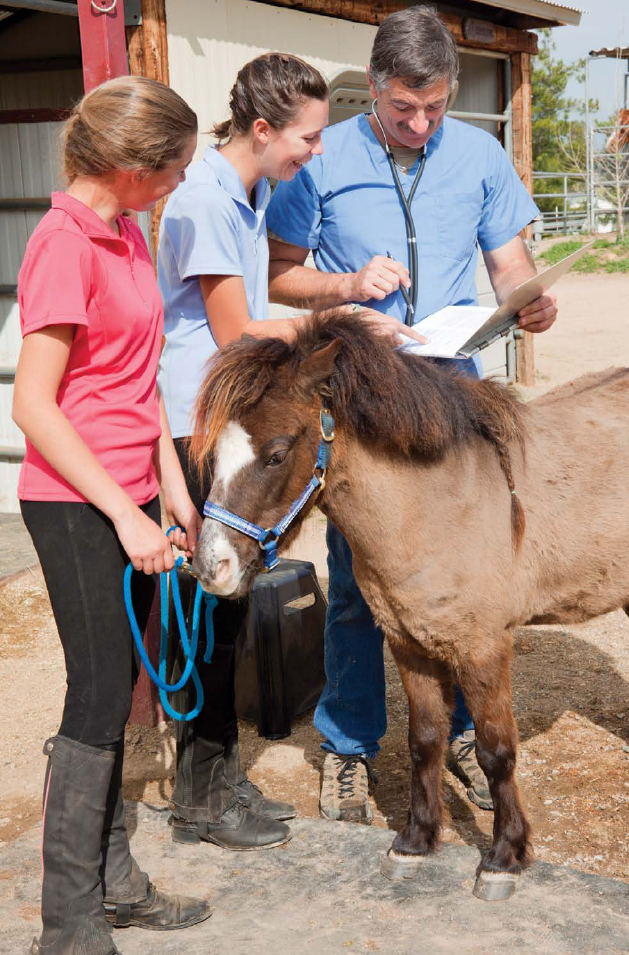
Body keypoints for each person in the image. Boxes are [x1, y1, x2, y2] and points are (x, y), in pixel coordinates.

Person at [266, 5, 558, 824]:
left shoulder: (479, 153)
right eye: (403, 109)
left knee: (466, 582)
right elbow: (280, 273)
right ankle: (350, 746)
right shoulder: (322, 161)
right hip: (358, 402)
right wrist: (346, 289)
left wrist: (528, 304)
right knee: (365, 586)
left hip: (452, 395)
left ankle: (465, 730)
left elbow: (508, 263)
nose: (421, 124)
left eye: (435, 108)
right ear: (375, 91)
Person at [156, 53, 408, 852]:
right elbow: (233, 333)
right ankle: (201, 795)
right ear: (260, 130)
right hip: (197, 425)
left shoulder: (250, 189)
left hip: (229, 415)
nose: (315, 151)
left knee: (229, 613)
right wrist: (345, 328)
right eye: (306, 136)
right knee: (211, 615)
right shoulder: (202, 199)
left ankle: (218, 777)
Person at [13, 77, 211, 953]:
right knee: (95, 692)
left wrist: (168, 483)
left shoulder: (129, 230)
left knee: (119, 690)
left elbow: (136, 383)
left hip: (129, 489)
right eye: (171, 168)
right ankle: (69, 920)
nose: (177, 182)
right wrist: (124, 517)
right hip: (73, 502)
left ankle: (114, 878)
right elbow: (36, 407)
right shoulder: (63, 242)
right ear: (131, 167)